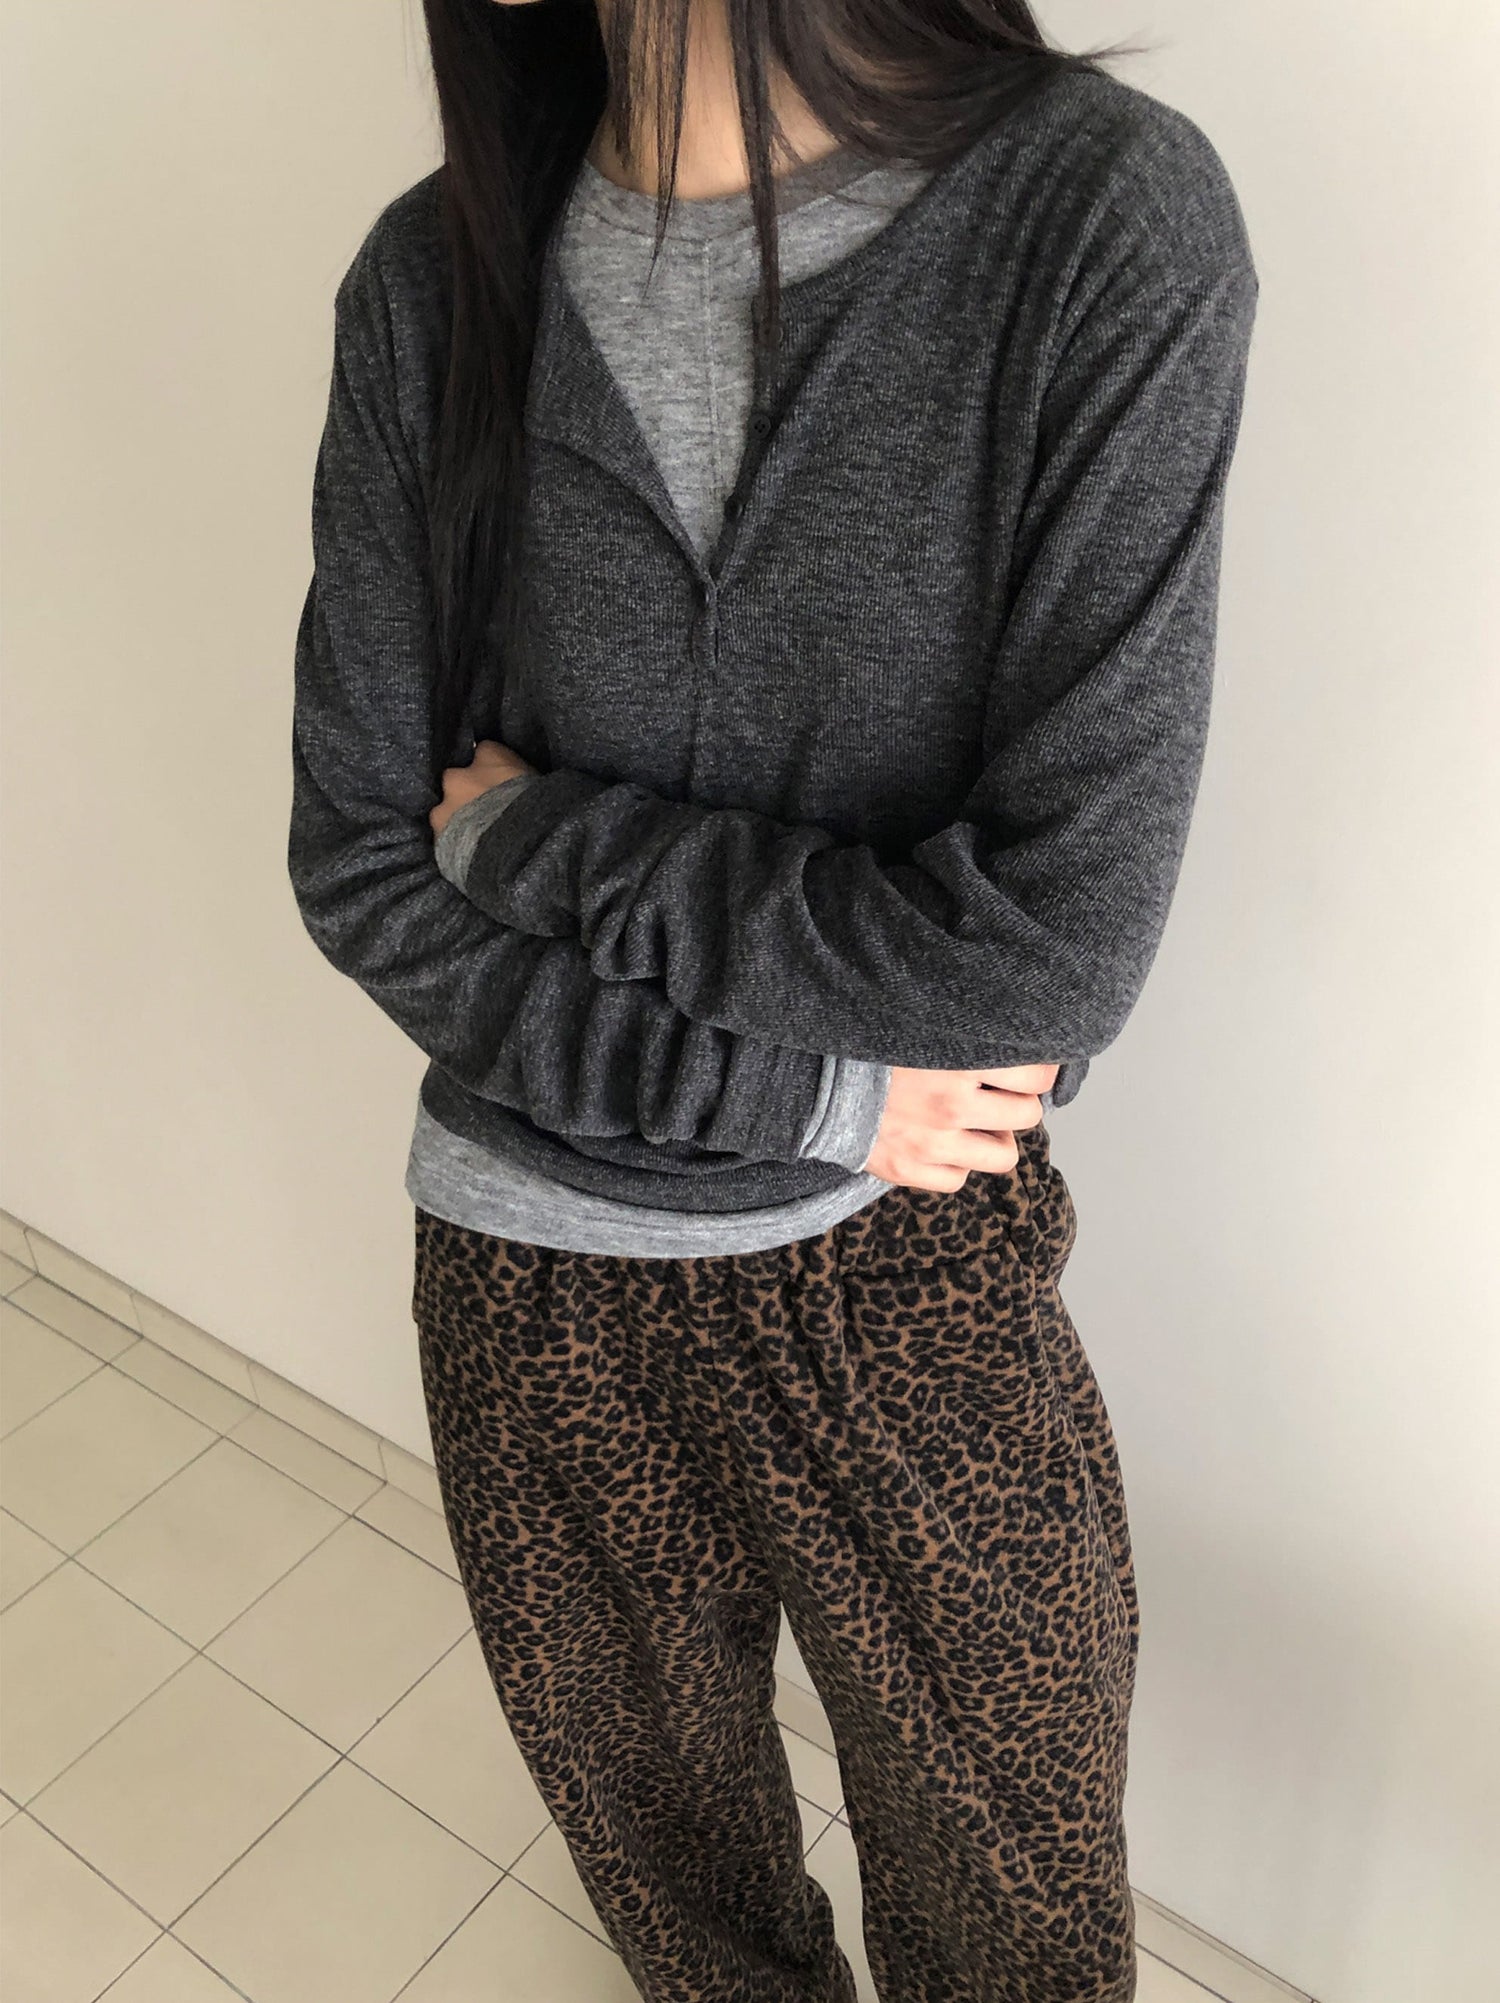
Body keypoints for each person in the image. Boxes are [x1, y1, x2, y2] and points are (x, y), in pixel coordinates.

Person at [287, 1, 1258, 1995]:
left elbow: (1048, 957)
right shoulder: (431, 278)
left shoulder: (1095, 219)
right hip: (533, 1273)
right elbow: (364, 865)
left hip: (911, 1252)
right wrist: (811, 1091)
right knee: (684, 1892)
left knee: (1016, 1911)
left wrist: (544, 836)